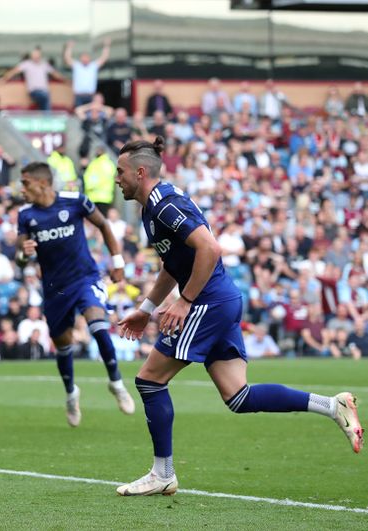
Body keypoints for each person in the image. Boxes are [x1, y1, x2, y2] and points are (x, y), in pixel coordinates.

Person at [113, 136, 362, 496]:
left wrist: (184, 301)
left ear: (139, 171)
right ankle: (331, 405)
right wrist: (147, 309)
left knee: (150, 380)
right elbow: (173, 263)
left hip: (208, 303)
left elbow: (210, 248)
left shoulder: (164, 204)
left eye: (120, 171)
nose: (116, 179)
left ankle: (163, 473)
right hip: (220, 299)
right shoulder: (154, 207)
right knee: (238, 397)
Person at [16, 162, 134, 426]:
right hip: (54, 288)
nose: (21, 189)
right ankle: (71, 393)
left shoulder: (75, 202)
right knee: (63, 345)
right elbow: (19, 258)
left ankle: (116, 382)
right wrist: (24, 253)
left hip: (85, 277)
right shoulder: (25, 215)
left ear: (43, 183)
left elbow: (104, 226)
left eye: (25, 183)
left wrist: (117, 261)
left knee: (99, 324)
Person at [0, 46, 63, 111]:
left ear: (40, 55)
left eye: (37, 55)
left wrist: (67, 80)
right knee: (45, 98)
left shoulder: (44, 64)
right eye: (34, 55)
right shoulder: (26, 64)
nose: (35, 57)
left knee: (44, 99)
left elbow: (55, 74)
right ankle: (47, 118)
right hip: (35, 91)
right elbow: (13, 71)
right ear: (31, 56)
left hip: (44, 92)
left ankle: (45, 117)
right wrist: (3, 79)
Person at [63, 38, 110, 108]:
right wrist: (69, 47)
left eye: (86, 57)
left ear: (89, 58)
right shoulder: (77, 66)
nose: (85, 59)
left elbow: (104, 58)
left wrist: (106, 46)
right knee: (78, 114)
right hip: (78, 96)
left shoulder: (93, 66)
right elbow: (67, 58)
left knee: (91, 115)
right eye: (83, 57)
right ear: (80, 58)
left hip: (90, 96)